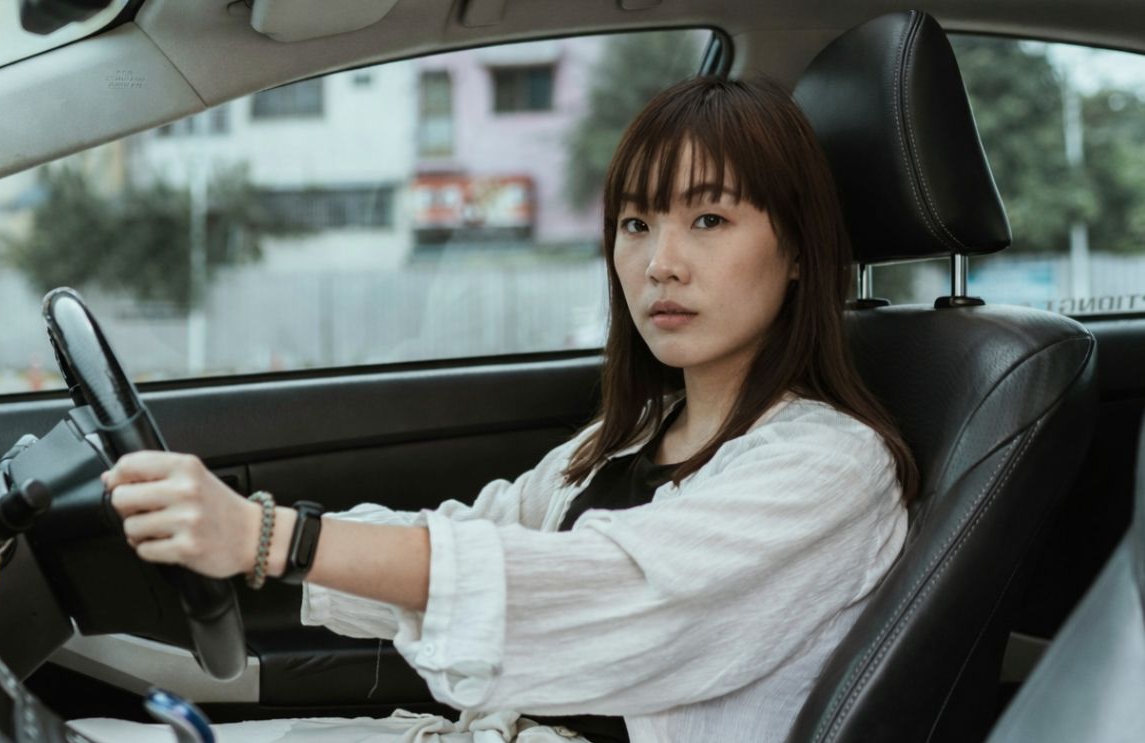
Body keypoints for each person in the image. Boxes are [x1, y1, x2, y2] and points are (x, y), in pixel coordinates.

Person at [86, 76, 917, 743]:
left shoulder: (830, 467)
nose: (659, 263)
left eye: (708, 218)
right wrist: (252, 542)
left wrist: (271, 537)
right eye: (635, 222)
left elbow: (591, 590)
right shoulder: (629, 436)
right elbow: (476, 534)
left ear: (798, 249)